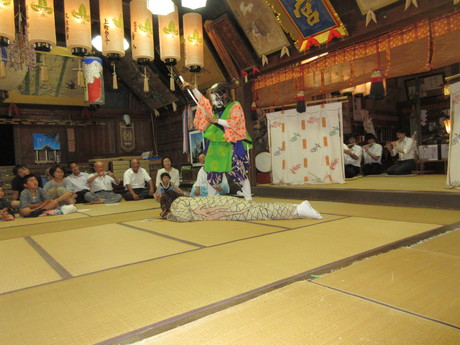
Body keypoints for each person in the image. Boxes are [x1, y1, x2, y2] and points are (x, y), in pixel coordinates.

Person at [181, 80, 253, 200]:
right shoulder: (215, 109)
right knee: (212, 173)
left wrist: (216, 120)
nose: (214, 101)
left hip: (230, 144)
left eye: (217, 97)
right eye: (213, 98)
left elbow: (235, 123)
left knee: (239, 173)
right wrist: (192, 88)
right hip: (215, 144)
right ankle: (211, 201)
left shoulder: (235, 105)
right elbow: (203, 101)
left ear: (225, 94)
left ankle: (248, 200)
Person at [159, 190, 322, 222]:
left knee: (259, 213)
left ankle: (298, 209)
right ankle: (296, 208)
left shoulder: (177, 203)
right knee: (258, 209)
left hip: (223, 209)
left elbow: (185, 217)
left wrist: (169, 216)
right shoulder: (184, 199)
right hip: (222, 204)